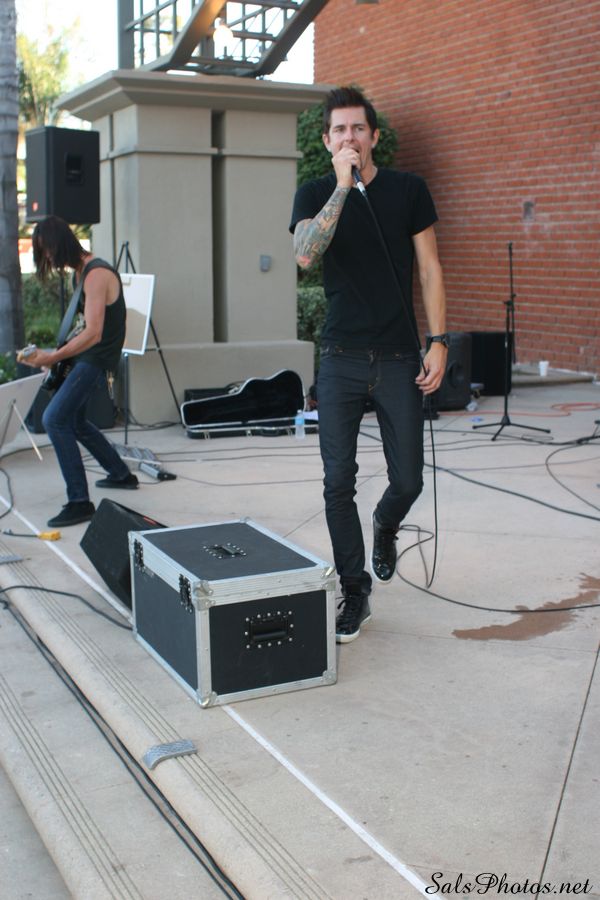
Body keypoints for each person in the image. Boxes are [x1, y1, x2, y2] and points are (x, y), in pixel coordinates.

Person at [290, 87, 448, 643]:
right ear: (327, 140)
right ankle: (354, 591)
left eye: (358, 128)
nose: (349, 137)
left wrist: (439, 341)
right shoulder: (316, 192)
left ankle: (385, 523)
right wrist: (342, 186)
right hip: (340, 357)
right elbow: (305, 255)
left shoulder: (408, 190)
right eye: (339, 130)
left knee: (408, 480)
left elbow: (429, 268)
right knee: (338, 482)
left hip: (400, 356)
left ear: (374, 136)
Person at [21, 216, 138, 528]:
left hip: (96, 359)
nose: (48, 258)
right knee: (74, 421)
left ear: (61, 244)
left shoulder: (96, 274)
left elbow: (94, 333)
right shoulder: (81, 273)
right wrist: (53, 357)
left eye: (48, 250)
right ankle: (121, 474)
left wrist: (54, 357)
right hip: (86, 358)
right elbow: (81, 328)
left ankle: (79, 502)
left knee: (54, 419)